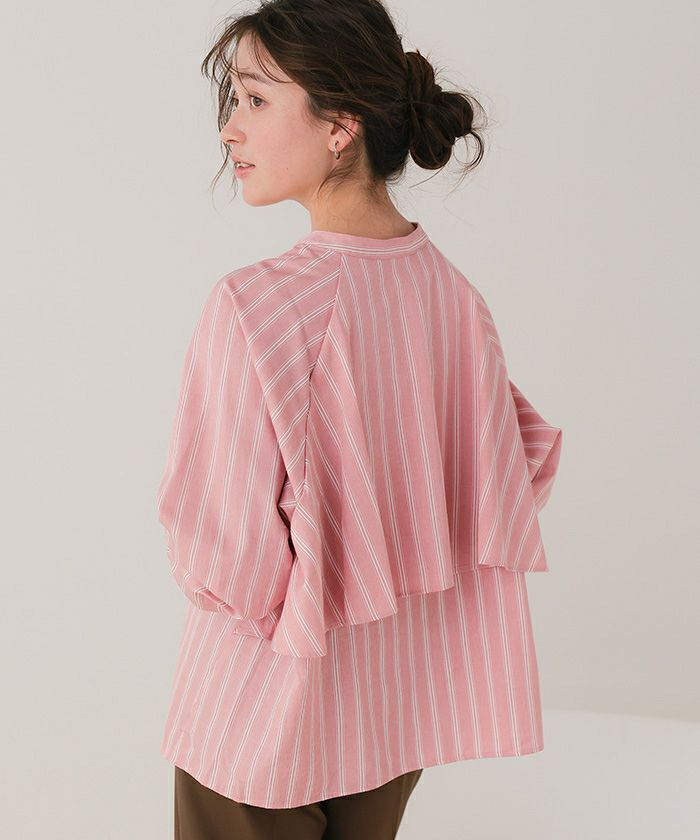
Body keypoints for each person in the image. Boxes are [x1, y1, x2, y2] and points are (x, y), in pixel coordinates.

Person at [156, 1, 564, 838]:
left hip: (259, 717)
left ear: (340, 126)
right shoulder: (454, 300)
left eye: (255, 99)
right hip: (390, 719)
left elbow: (228, 556)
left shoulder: (257, 307)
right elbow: (510, 479)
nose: (230, 129)